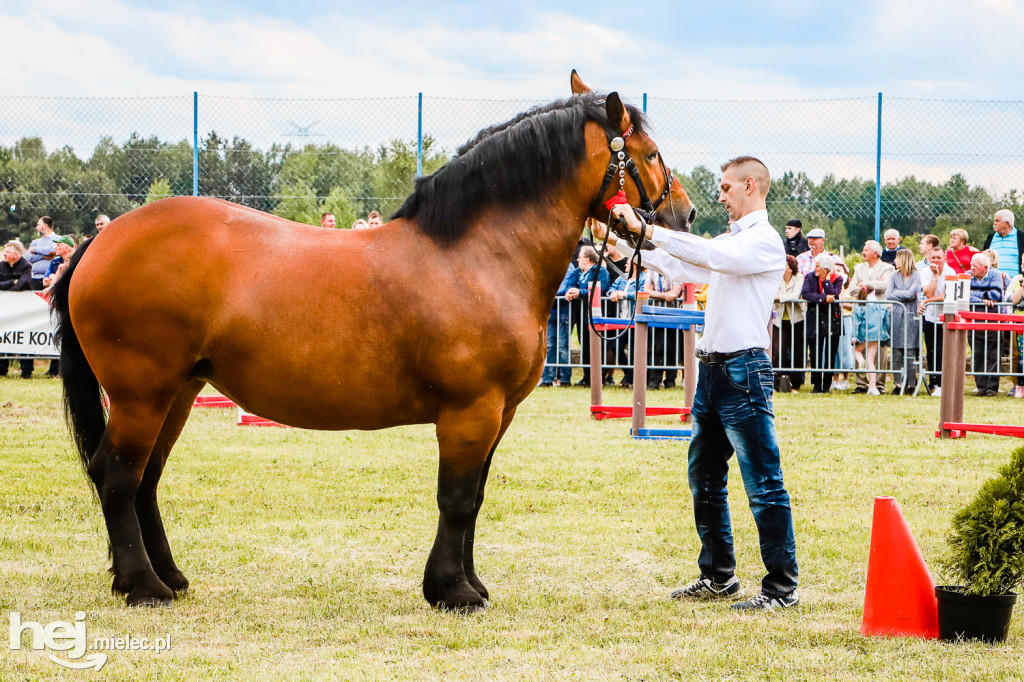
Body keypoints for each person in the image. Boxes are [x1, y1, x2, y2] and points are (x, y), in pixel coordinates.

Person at [600, 156, 799, 611]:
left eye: (727, 187)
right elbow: (686, 266)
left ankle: (781, 588)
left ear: (751, 185)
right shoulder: (735, 243)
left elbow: (707, 255)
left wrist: (648, 231)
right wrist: (631, 242)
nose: (721, 195)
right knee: (704, 479)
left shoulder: (763, 242)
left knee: (764, 483)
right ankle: (718, 576)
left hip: (743, 372)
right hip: (713, 372)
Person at [847, 240, 895, 393]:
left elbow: (885, 285)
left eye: (865, 250)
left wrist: (865, 284)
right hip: (861, 312)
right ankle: (861, 383)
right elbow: (851, 290)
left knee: (879, 350)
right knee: (859, 345)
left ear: (875, 253)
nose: (863, 252)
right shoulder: (858, 268)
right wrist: (872, 285)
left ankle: (878, 384)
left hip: (878, 314)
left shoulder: (888, 268)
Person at [563, 246, 609, 387]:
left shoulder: (601, 272)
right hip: (582, 316)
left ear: (587, 259)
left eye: (580, 257)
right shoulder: (578, 272)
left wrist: (580, 292)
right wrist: (570, 291)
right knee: (585, 348)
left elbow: (600, 289)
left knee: (595, 348)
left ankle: (597, 378)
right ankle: (586, 377)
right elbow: (570, 283)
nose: (577, 259)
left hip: (596, 317)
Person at [801, 253, 843, 394]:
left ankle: (826, 386)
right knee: (815, 353)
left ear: (825, 269)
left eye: (818, 267)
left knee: (831, 353)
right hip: (815, 318)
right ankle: (816, 385)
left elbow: (835, 294)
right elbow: (806, 294)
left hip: (832, 319)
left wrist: (826, 281)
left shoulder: (838, 278)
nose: (815, 269)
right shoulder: (809, 277)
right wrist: (823, 298)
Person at [918, 247, 956, 397]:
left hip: (946, 317)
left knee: (943, 351)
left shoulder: (951, 272)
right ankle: (934, 384)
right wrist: (935, 276)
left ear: (944, 259)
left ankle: (943, 383)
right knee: (931, 351)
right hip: (930, 317)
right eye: (932, 258)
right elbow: (928, 292)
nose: (935, 261)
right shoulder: (925, 272)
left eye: (938, 258)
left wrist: (927, 301)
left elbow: (947, 296)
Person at [969, 253, 1005, 396]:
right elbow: (963, 295)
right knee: (977, 354)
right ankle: (981, 387)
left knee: (993, 354)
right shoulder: (967, 275)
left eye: (975, 266)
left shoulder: (995, 275)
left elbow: (996, 295)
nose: (971, 268)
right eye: (971, 265)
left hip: (993, 320)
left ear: (985, 267)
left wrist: (975, 294)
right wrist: (983, 298)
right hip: (973, 321)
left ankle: (992, 387)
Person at [607, 260, 647, 388]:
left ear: (635, 265)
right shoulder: (622, 277)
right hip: (622, 320)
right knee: (616, 347)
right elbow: (612, 287)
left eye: (628, 263)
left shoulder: (644, 278)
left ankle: (631, 378)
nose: (625, 265)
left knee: (635, 351)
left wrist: (625, 294)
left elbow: (642, 293)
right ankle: (630, 374)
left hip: (636, 320)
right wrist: (612, 293)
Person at [887, 249, 922, 394]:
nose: (895, 261)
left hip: (911, 317)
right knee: (896, 352)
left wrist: (899, 294)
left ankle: (910, 384)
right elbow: (889, 294)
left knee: (910, 351)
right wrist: (906, 295)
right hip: (896, 316)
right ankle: (898, 383)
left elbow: (913, 293)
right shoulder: (893, 276)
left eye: (897, 258)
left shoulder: (916, 275)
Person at [0, 240, 35, 379]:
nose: (4, 254)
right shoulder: (1, 265)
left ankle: (27, 370)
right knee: (4, 335)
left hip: (24, 308)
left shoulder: (26, 265)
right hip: (6, 308)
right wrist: (11, 282)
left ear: (16, 254)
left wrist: (10, 289)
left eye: (7, 252)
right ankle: (2, 368)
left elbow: (23, 283)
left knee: (26, 337)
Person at [644, 269, 682, 389]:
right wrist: (664, 296)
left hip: (673, 315)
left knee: (673, 348)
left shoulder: (676, 270)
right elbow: (646, 290)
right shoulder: (651, 271)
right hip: (655, 315)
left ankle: (670, 381)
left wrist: (657, 294)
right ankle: (654, 381)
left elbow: (675, 293)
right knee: (655, 348)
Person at [539, 264, 576, 387]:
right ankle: (547, 378)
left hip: (564, 312)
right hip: (551, 312)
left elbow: (565, 287)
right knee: (550, 345)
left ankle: (565, 378)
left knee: (563, 346)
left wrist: (546, 294)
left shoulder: (568, 266)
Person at [772, 255, 805, 393]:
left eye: (784, 265)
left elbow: (795, 295)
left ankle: (796, 385)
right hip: (778, 320)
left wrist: (779, 298)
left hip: (796, 319)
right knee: (777, 351)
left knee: (797, 352)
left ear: (791, 268)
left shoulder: (799, 278)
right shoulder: (775, 278)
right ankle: (775, 383)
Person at [983, 209, 1024, 279]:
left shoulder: (1021, 237)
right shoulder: (990, 238)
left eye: (997, 221)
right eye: (994, 220)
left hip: (1016, 283)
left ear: (1007, 224)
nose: (994, 223)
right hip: (993, 283)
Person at [27, 216, 59, 291]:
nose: (36, 227)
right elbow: (28, 257)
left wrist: (35, 250)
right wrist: (44, 256)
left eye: (38, 225)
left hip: (51, 279)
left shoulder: (58, 239)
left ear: (45, 226)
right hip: (35, 278)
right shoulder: (35, 242)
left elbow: (52, 250)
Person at [1006, 272, 1024, 398]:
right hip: (1019, 322)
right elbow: (1013, 300)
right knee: (1019, 355)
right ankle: (1018, 385)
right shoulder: (1018, 279)